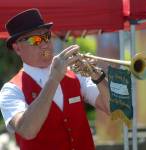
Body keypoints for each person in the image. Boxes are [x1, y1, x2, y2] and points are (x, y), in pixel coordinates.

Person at [0, 8, 110, 150]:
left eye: (46, 36)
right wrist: (53, 79)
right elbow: (27, 130)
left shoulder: (74, 75)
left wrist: (97, 76)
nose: (44, 44)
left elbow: (111, 108)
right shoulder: (11, 90)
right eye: (36, 40)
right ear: (17, 48)